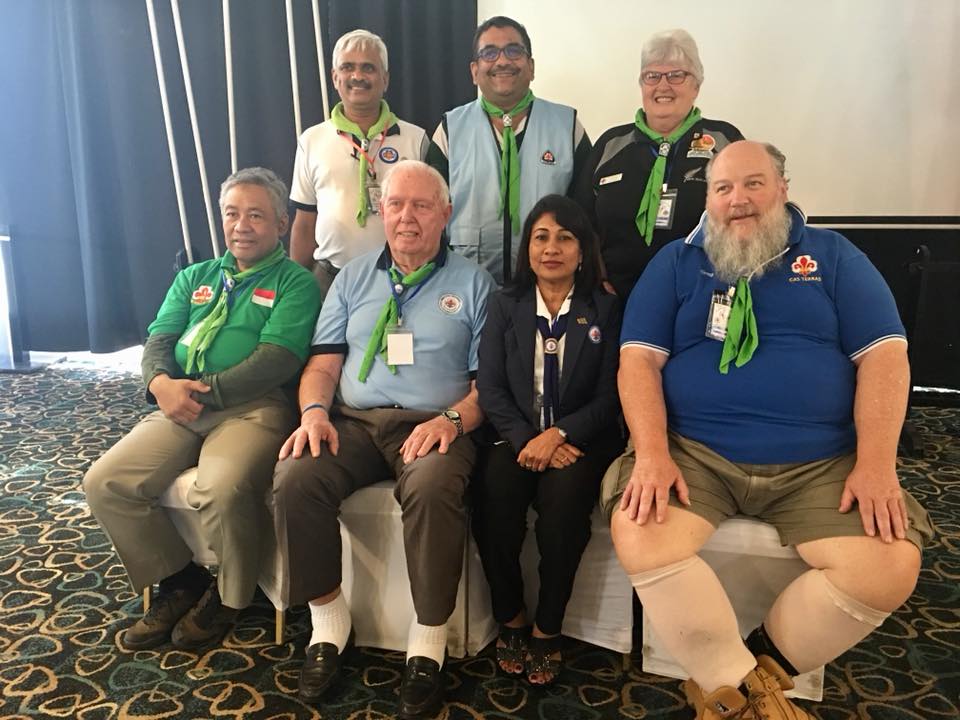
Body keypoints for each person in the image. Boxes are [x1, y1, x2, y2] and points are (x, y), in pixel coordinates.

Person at [604, 140, 933, 719]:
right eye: (723, 188)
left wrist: (876, 465)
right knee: (640, 528)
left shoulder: (834, 256)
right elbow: (638, 361)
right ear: (708, 199)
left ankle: (737, 688)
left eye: (753, 183)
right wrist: (652, 455)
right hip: (695, 453)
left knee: (890, 564)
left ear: (782, 188)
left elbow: (885, 357)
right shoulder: (676, 262)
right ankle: (757, 702)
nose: (738, 200)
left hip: (820, 461)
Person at [272, 160, 496, 718]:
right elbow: (324, 362)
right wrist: (314, 413)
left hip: (434, 424)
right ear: (382, 212)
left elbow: (487, 387)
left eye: (422, 205)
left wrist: (452, 421)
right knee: (296, 475)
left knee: (434, 487)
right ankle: (328, 624)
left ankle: (428, 641)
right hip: (353, 421)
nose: (406, 217)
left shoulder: (474, 283)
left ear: (445, 213)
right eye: (396, 204)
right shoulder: (352, 278)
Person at [83, 168, 320, 651]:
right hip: (181, 405)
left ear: (281, 224)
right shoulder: (195, 276)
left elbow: (276, 359)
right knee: (106, 482)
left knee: (221, 487)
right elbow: (160, 339)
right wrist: (159, 383)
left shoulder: (297, 283)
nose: (241, 226)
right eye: (232, 214)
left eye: (256, 216)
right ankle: (180, 579)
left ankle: (231, 598)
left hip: (253, 409)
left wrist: (196, 392)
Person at [474, 194, 623, 685]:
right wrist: (528, 439)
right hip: (514, 436)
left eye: (565, 237)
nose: (551, 248)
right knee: (494, 500)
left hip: (582, 439)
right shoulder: (505, 304)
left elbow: (611, 395)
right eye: (541, 237)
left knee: (563, 512)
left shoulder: (605, 307)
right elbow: (491, 388)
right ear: (527, 248)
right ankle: (511, 617)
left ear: (583, 250)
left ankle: (548, 628)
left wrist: (558, 434)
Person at [576, 29, 743, 299]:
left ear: (696, 86)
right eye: (652, 76)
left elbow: (747, 216)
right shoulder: (611, 144)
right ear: (642, 85)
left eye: (676, 75)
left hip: (700, 296)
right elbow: (580, 221)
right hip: (617, 298)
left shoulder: (724, 141)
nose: (663, 86)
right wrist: (595, 277)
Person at [427, 15, 591, 286]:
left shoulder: (568, 127)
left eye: (514, 50)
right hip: (465, 287)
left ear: (531, 67)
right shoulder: (449, 130)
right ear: (474, 70)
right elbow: (429, 213)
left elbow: (586, 214)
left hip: (546, 288)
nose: (502, 61)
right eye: (489, 53)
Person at [290, 29, 429, 296]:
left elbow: (431, 219)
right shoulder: (311, 140)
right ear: (335, 77)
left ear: (385, 79)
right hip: (329, 279)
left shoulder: (416, 139)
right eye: (347, 67)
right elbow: (305, 222)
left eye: (368, 68)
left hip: (400, 277)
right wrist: (296, 288)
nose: (357, 76)